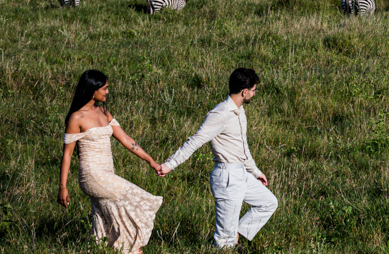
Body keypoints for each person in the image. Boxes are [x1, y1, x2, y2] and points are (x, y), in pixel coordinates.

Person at [159, 67, 277, 248]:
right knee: (224, 240)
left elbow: (242, 146)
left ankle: (237, 233)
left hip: (242, 174)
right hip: (227, 177)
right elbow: (195, 141)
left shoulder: (239, 111)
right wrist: (170, 164)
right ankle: (229, 241)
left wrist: (255, 172)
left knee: (268, 202)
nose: (254, 94)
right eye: (253, 90)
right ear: (244, 91)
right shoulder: (220, 114)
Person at [58, 70, 163, 254]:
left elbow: (125, 139)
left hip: (107, 173)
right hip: (92, 175)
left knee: (105, 220)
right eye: (105, 88)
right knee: (142, 199)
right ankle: (132, 248)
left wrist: (150, 160)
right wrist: (63, 187)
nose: (107, 92)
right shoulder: (77, 117)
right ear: (93, 90)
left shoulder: (103, 111)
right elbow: (67, 154)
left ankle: (110, 249)